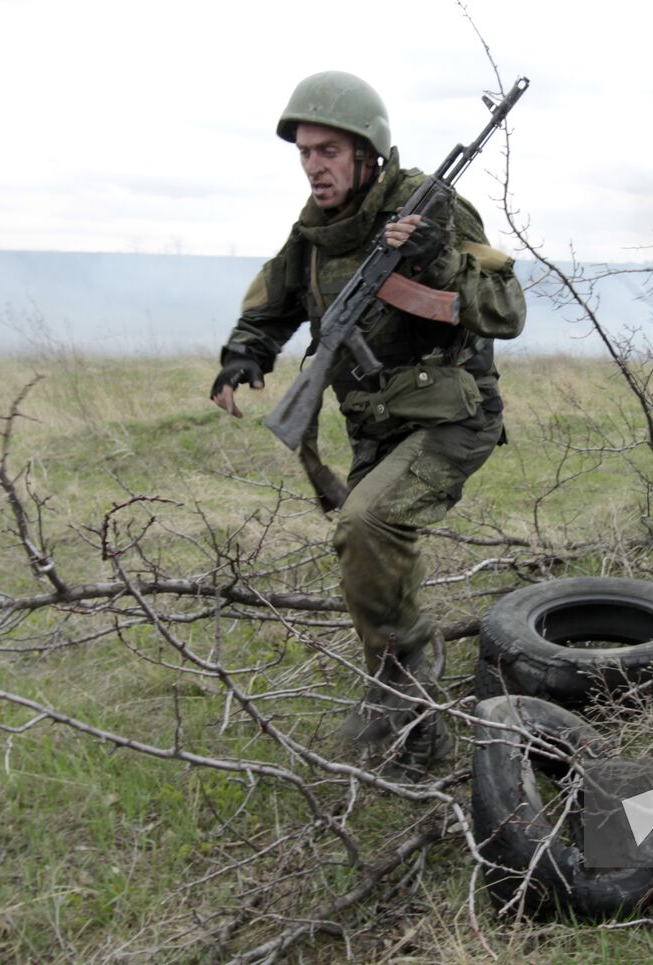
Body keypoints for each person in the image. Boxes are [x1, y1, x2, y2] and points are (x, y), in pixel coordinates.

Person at [209, 71, 525, 778]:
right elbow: (274, 298)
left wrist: (437, 259)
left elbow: (507, 311)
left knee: (367, 525)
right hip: (376, 427)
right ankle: (395, 696)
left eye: (328, 151)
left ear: (367, 153)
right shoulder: (316, 233)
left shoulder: (433, 206)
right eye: (305, 153)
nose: (314, 166)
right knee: (368, 556)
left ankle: (418, 723)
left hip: (453, 415)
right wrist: (245, 355)